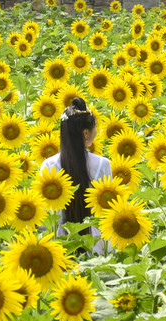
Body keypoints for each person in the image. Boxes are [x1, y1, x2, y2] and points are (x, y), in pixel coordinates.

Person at [40, 97, 112, 253]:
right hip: (93, 245)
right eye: (95, 127)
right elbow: (108, 212)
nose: (97, 131)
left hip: (58, 244)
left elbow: (43, 216)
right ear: (86, 133)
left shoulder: (49, 165)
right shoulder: (102, 164)